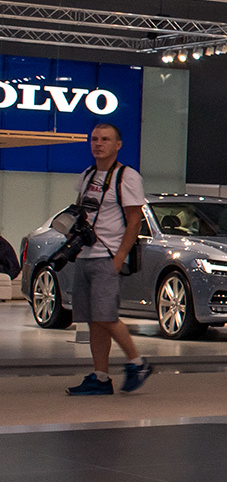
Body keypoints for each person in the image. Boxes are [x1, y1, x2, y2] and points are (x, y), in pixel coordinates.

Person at [67, 122, 152, 395]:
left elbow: (134, 220)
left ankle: (138, 363)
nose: (98, 144)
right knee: (94, 319)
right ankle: (100, 376)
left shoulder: (127, 176)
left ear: (118, 145)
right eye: (94, 139)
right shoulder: (87, 175)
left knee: (105, 316)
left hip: (108, 255)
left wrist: (119, 258)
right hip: (85, 254)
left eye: (105, 139)